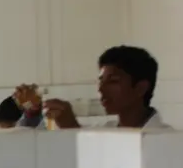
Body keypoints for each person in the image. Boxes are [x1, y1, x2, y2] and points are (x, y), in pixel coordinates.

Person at [38, 46, 169, 130]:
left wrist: (71, 127)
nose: (101, 89)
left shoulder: (168, 140)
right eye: (101, 81)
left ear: (140, 88)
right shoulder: (104, 130)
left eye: (113, 81)